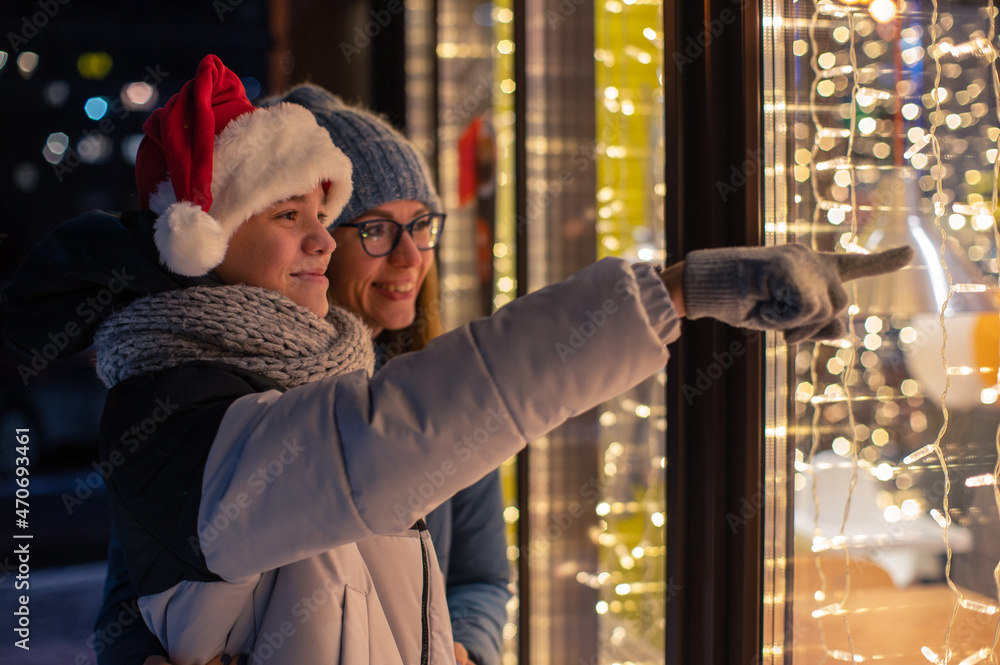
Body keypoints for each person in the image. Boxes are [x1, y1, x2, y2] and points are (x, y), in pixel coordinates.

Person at [0, 55, 912, 665]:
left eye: (331, 217)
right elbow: (396, 434)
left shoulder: (319, 374)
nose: (325, 243)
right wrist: (678, 291)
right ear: (205, 238)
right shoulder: (181, 408)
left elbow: (451, 566)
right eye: (294, 217)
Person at [93, 84, 510, 665]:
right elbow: (127, 604)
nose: (411, 256)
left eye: (422, 225)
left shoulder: (437, 384)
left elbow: (483, 577)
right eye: (376, 228)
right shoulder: (207, 395)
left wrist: (463, 649)